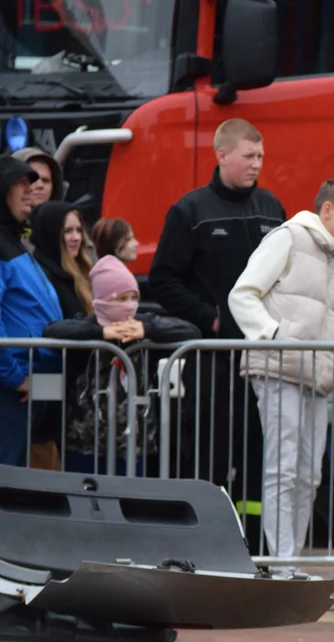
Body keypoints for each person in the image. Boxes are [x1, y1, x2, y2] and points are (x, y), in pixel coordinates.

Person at [148, 119, 285, 535]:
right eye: (249, 156)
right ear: (222, 155)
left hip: (262, 358)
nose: (256, 164)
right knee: (210, 454)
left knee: (259, 454)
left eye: (260, 156)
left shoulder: (272, 208)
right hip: (213, 358)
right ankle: (203, 541)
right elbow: (163, 280)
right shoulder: (191, 211)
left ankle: (254, 550)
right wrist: (210, 317)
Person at [228, 177, 334, 564]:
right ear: (328, 209)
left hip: (315, 375)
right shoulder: (288, 237)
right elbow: (243, 292)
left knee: (308, 474)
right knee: (284, 468)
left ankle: (291, 560)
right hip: (279, 368)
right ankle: (282, 561)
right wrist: (273, 336)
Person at [43, 256, 200, 475]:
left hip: (134, 443)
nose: (129, 305)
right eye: (121, 298)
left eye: (134, 297)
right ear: (104, 299)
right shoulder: (87, 325)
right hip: (85, 442)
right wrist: (100, 333)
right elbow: (52, 331)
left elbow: (191, 331)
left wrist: (148, 330)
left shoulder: (142, 325)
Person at [0, 156, 63, 466]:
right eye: (21, 184)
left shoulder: (14, 240)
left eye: (34, 183)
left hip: (28, 384)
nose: (32, 190)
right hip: (12, 390)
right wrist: (13, 377)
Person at [30, 201, 95, 318]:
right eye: (67, 231)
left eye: (79, 230)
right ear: (51, 234)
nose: (77, 238)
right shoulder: (42, 278)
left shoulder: (82, 272)